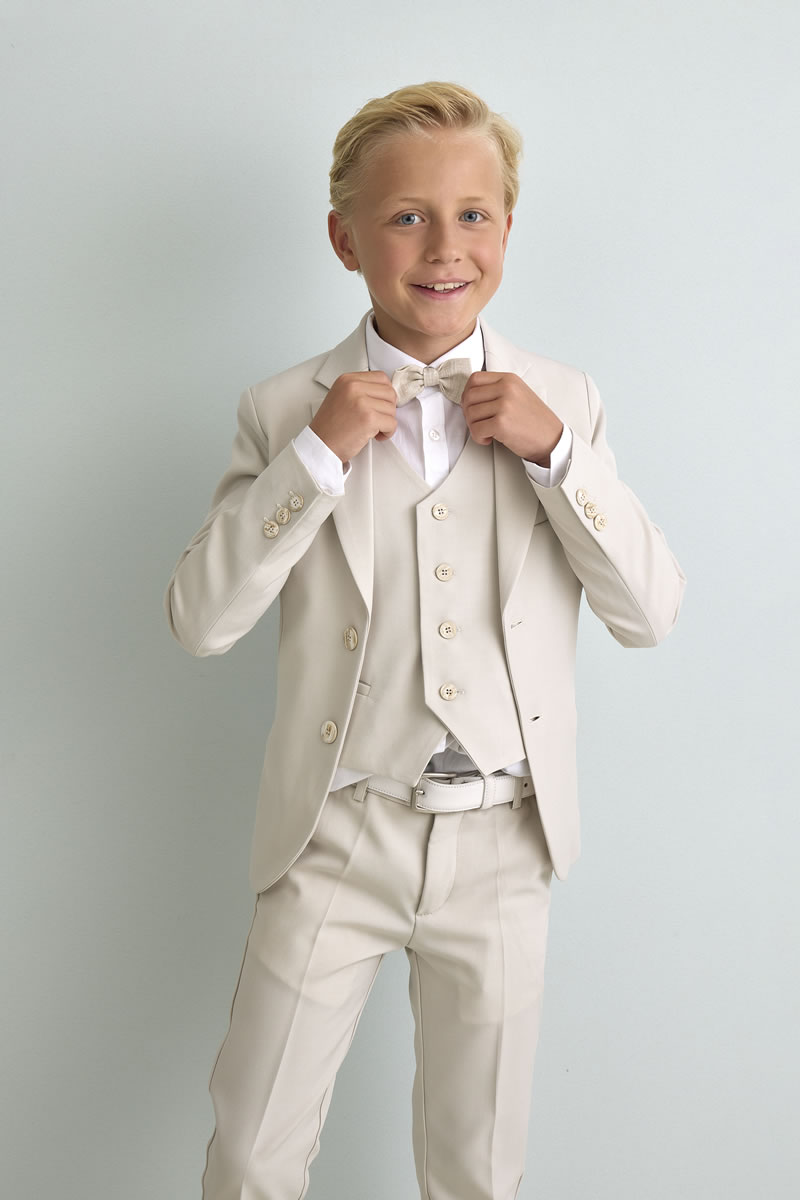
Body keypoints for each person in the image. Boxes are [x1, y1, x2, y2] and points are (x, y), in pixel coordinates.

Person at [164, 80, 686, 1200]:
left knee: (474, 1167)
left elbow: (648, 612)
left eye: (472, 214)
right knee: (252, 1149)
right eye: (406, 217)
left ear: (507, 227)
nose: (445, 247)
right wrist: (314, 459)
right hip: (335, 831)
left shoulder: (565, 400)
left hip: (502, 838)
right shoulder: (282, 409)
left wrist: (558, 459)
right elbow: (202, 621)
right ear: (344, 238)